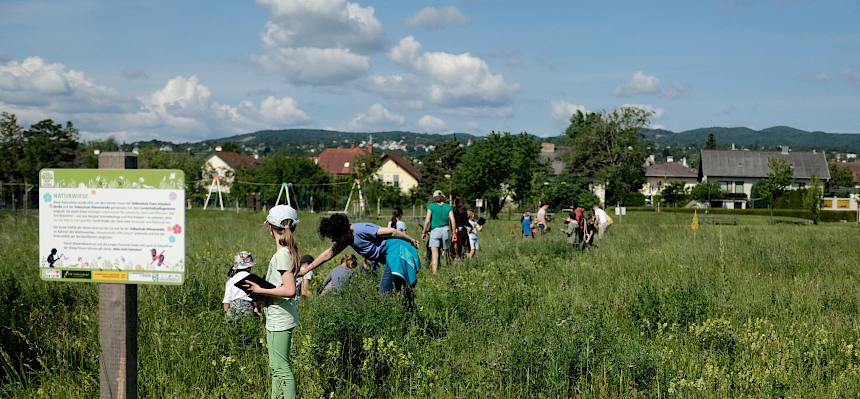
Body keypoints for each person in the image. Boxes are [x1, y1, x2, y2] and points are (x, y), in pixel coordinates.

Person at [244, 205, 302, 399]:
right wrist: (263, 295)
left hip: (280, 319)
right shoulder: (288, 251)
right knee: (275, 368)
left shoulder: (282, 255)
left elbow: (290, 290)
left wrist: (260, 290)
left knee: (281, 368)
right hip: (279, 316)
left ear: (270, 228)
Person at [300, 213, 421, 302]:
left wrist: (411, 240)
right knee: (400, 292)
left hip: (396, 251)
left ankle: (398, 322)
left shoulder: (360, 229)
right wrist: (306, 269)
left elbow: (393, 232)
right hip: (392, 256)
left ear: (343, 231)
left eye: (335, 237)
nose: (335, 241)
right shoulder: (346, 238)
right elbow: (328, 254)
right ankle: (408, 319)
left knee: (385, 292)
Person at [421, 190, 456, 274]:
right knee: (447, 251)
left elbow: (427, 221)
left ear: (434, 198)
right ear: (442, 197)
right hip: (446, 230)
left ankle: (435, 273)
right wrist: (454, 233)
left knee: (435, 254)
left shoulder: (431, 206)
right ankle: (449, 270)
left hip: (435, 231)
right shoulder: (448, 207)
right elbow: (453, 220)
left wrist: (423, 232)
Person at [222, 251, 258, 320]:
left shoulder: (231, 280)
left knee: (234, 328)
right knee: (248, 328)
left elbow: (226, 300)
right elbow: (255, 298)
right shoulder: (252, 278)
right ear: (249, 267)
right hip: (247, 306)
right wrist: (257, 309)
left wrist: (226, 315)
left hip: (234, 308)